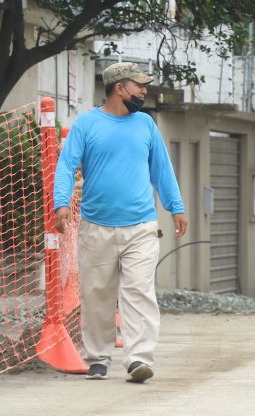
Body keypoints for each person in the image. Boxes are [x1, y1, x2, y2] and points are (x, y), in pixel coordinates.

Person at [53, 61, 188, 384]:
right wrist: (61, 203)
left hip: (140, 226)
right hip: (95, 226)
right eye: (138, 85)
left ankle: (139, 358)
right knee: (96, 293)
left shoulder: (146, 125)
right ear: (119, 87)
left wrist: (177, 207)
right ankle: (98, 358)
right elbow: (66, 164)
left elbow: (162, 170)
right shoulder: (86, 124)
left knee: (138, 292)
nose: (144, 91)